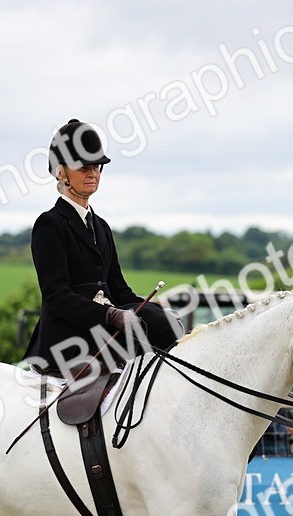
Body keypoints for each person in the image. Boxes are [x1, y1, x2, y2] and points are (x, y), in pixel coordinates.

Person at [23, 118, 180, 379]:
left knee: (164, 327)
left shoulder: (102, 227)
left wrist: (156, 313)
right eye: (83, 166)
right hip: (68, 340)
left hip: (105, 332)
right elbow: (57, 295)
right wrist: (108, 314)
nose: (92, 173)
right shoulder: (50, 224)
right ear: (61, 172)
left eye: (97, 166)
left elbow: (119, 290)